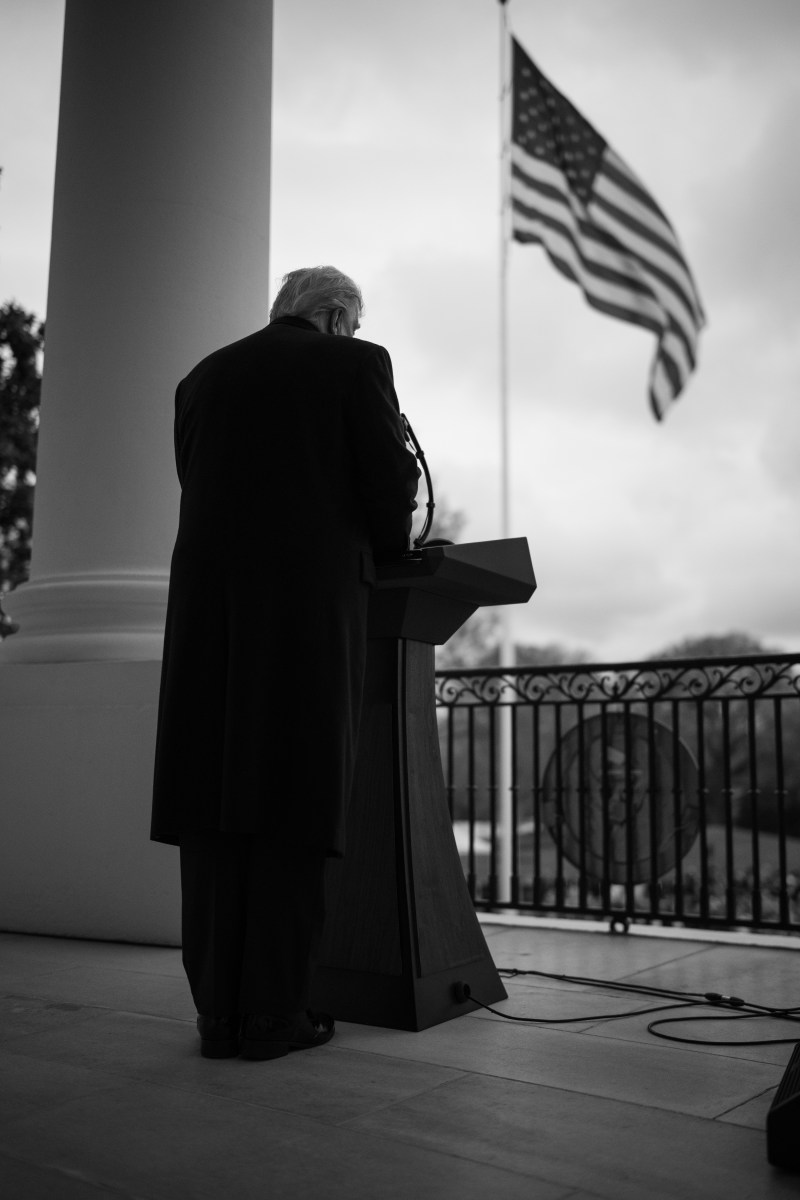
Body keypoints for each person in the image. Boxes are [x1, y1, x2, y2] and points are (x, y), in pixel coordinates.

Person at [150, 266, 419, 1060]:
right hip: (305, 615)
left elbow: (197, 481)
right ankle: (272, 1015)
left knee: (214, 804)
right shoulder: (356, 365)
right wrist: (394, 541)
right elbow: (386, 483)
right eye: (353, 320)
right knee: (294, 798)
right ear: (337, 317)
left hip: (208, 620)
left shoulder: (200, 378)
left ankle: (217, 1016)